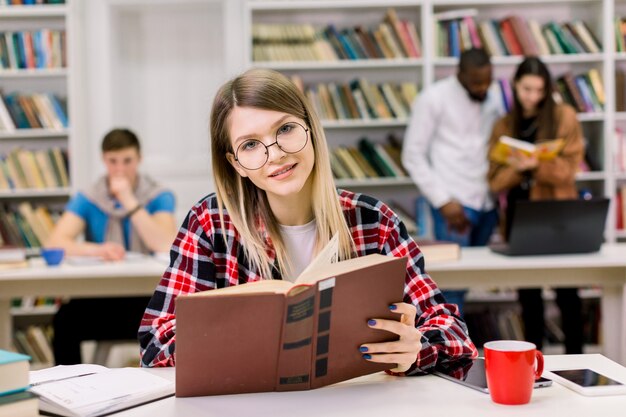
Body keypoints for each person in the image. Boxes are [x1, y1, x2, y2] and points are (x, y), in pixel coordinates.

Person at [138, 68, 477, 375]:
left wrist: (416, 348)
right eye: (251, 145)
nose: (276, 154)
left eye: (285, 129)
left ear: (311, 128)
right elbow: (156, 341)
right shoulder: (210, 224)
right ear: (236, 164)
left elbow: (454, 334)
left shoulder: (375, 221)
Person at [46, 128, 178, 364]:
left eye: (127, 161)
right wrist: (97, 250)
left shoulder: (158, 195)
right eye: (112, 161)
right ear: (103, 160)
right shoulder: (90, 197)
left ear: (139, 159)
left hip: (147, 299)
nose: (120, 169)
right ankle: (70, 391)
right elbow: (55, 242)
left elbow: (165, 244)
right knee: (65, 320)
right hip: (103, 297)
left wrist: (129, 200)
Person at [487, 56, 585, 354]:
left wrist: (536, 165)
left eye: (538, 90)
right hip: (519, 219)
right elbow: (494, 181)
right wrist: (519, 168)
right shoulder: (504, 124)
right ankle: (531, 366)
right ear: (515, 86)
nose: (532, 97)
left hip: (556, 215)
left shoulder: (564, 116)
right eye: (526, 89)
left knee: (567, 293)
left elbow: (569, 170)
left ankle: (576, 360)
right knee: (528, 295)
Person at [401, 48, 504, 314]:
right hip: (453, 203)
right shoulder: (433, 99)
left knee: (471, 279)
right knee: (452, 286)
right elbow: (412, 154)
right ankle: (452, 351)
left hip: (487, 203)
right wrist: (443, 201)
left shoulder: (492, 99)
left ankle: (461, 346)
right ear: (460, 74)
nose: (482, 87)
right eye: (476, 82)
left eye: (487, 81)